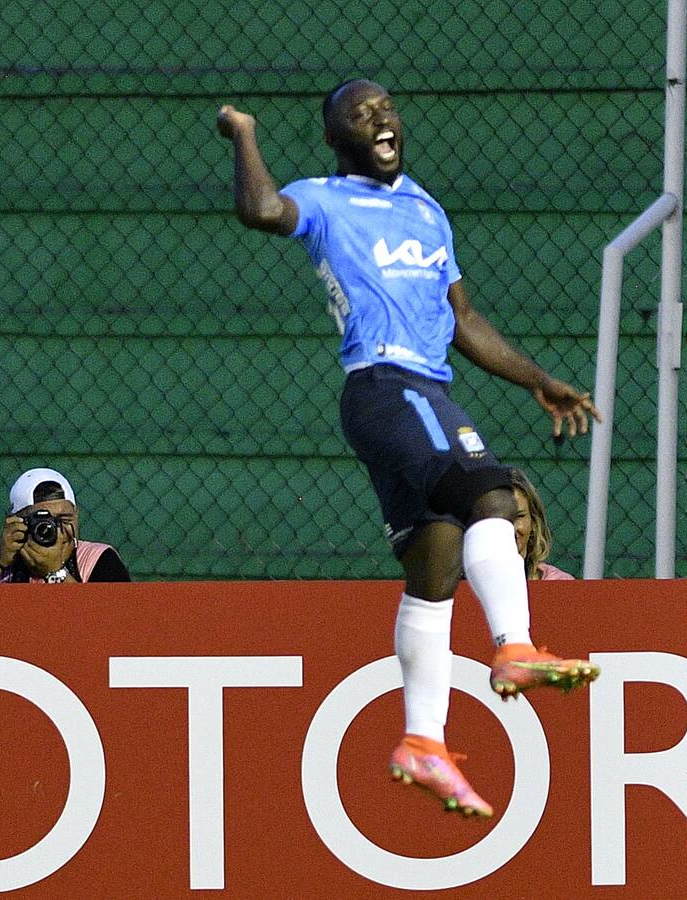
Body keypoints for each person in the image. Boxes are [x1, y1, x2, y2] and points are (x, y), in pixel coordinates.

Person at [216, 79, 600, 819]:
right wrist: (244, 134)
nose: (381, 118)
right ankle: (515, 646)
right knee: (491, 495)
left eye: (386, 108)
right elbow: (261, 209)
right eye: (360, 114)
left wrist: (536, 379)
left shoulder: (426, 208)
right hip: (388, 384)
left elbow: (463, 318)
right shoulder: (325, 200)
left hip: (414, 389)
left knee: (436, 559)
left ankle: (422, 742)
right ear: (335, 138)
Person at [0, 467, 130, 584]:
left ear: (76, 515)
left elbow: (114, 622)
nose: (54, 529)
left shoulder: (96, 560)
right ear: (14, 521)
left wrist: (55, 572)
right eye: (41, 521)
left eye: (64, 518)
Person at [510, 468, 574, 580]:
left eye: (519, 516)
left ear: (534, 522)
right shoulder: (470, 583)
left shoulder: (558, 583)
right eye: (501, 518)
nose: (511, 528)